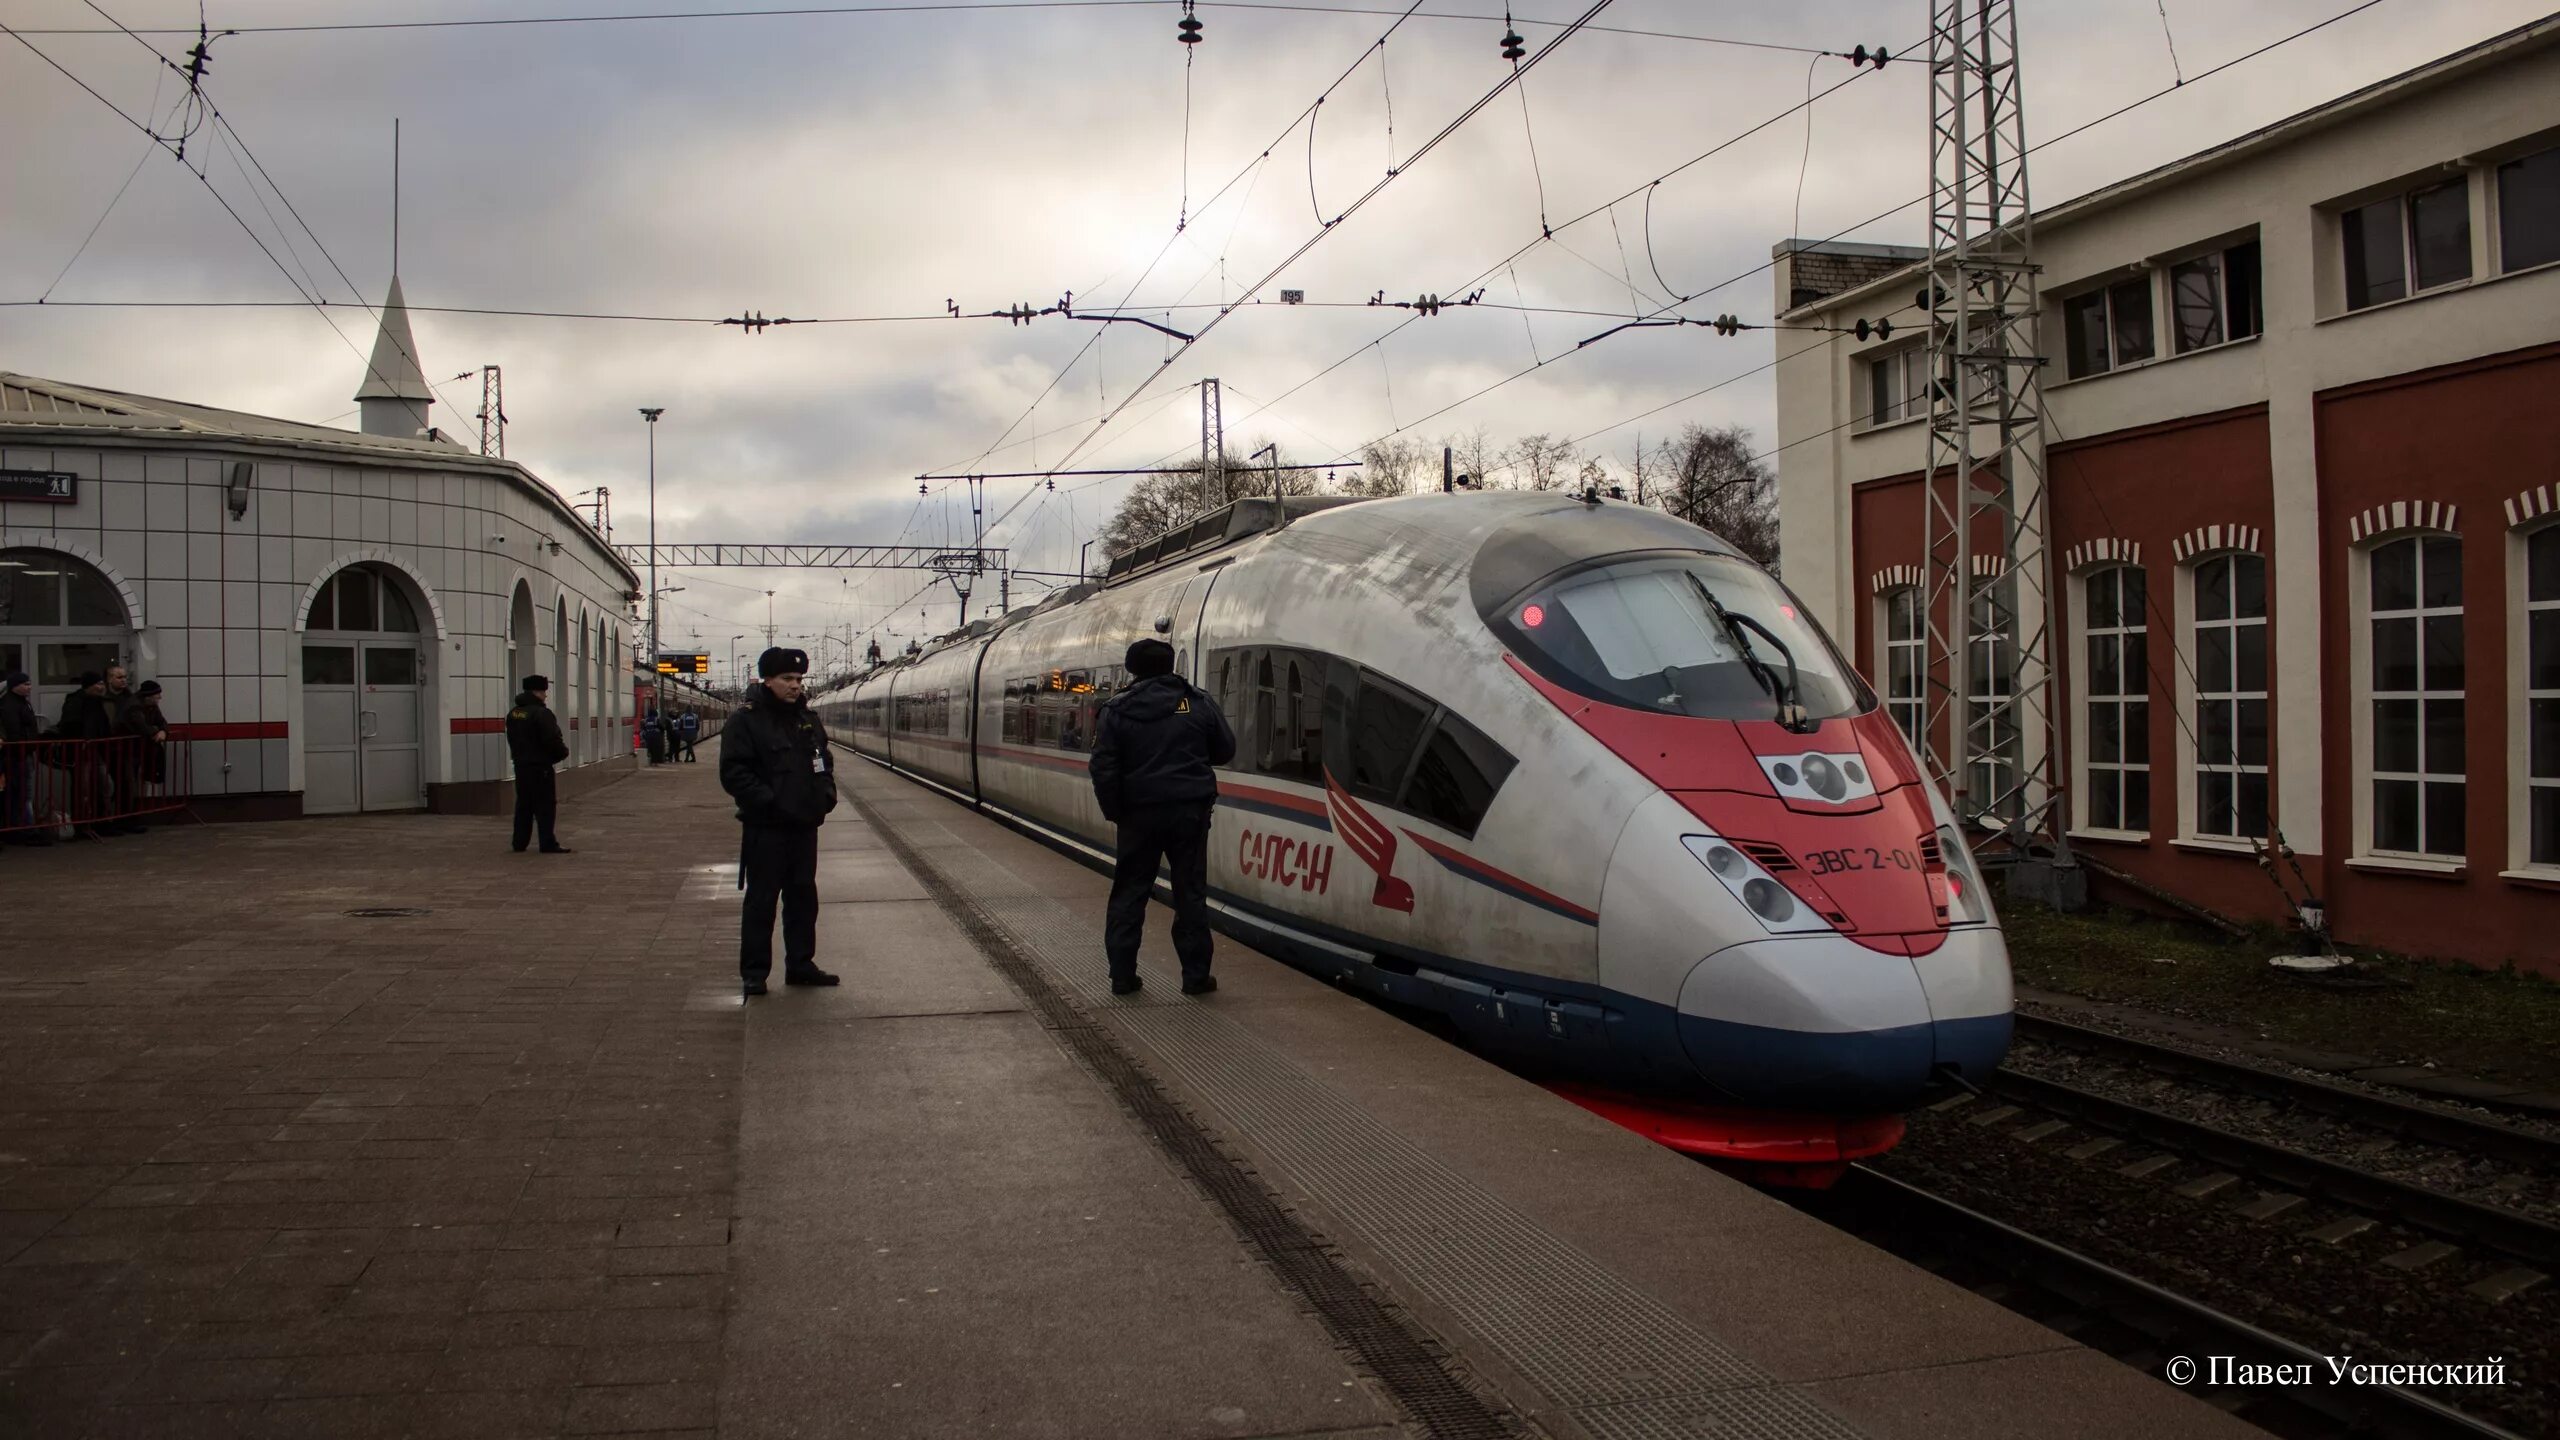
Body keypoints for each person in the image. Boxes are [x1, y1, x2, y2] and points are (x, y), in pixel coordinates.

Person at [1088, 638, 1235, 996]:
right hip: (1189, 813)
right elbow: (1225, 750)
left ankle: (1123, 976)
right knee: (1190, 893)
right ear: (1171, 666)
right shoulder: (1198, 703)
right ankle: (1196, 977)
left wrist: (1116, 811)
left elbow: (1103, 767)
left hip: (1138, 816)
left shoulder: (1117, 710)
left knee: (1129, 892)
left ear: (1132, 668)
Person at [719, 647, 839, 997]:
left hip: (804, 827)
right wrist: (769, 802)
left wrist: (825, 795)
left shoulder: (807, 720)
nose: (795, 686)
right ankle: (754, 973)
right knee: (762, 901)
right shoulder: (745, 720)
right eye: (787, 679)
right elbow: (734, 773)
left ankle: (801, 965)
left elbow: (823, 762)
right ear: (767, 680)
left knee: (803, 898)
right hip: (766, 828)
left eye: (799, 679)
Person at [505, 675, 573, 853]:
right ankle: (547, 842)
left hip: (521, 766)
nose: (545, 695)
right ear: (536, 692)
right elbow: (551, 739)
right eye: (544, 691)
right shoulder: (542, 714)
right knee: (545, 806)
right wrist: (562, 753)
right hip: (540, 767)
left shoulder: (514, 713)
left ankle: (519, 842)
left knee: (523, 805)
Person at [50, 672, 117, 841]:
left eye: (102, 684)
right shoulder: (75, 702)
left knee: (105, 785)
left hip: (95, 750)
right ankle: (84, 824)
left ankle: (102, 821)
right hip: (81, 752)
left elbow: (102, 726)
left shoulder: (97, 702)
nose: (101, 687)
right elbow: (70, 725)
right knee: (84, 788)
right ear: (88, 685)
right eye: (98, 684)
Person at [115, 679, 170, 831]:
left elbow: (162, 722)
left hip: (138, 750)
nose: (160, 698)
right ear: (149, 696)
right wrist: (156, 731)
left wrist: (163, 731)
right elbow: (141, 726)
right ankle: (126, 819)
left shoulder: (150, 706)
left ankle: (132, 817)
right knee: (128, 784)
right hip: (127, 751)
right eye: (158, 695)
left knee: (134, 783)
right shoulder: (134, 707)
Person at [0, 671, 45, 846]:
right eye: (25, 684)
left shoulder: (20, 703)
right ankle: (24, 829)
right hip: (17, 755)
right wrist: (22, 748)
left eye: (29, 683)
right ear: (14, 686)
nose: (29, 687)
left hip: (22, 753)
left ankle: (22, 829)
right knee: (21, 793)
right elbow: (14, 731)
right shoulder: (11, 706)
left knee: (20, 793)